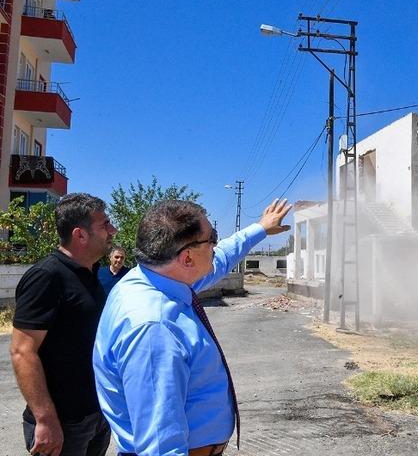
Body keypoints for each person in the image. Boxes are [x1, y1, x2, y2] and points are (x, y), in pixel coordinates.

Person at [93, 198, 291, 456]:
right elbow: (160, 445)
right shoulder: (154, 329)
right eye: (212, 239)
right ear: (187, 257)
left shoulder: (154, 279)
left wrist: (261, 228)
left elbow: (220, 259)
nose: (216, 246)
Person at [9, 193, 117, 456]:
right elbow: (22, 351)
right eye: (105, 225)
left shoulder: (90, 272)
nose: (112, 230)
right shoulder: (47, 276)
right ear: (80, 235)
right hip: (63, 422)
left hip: (96, 414)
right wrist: (45, 420)